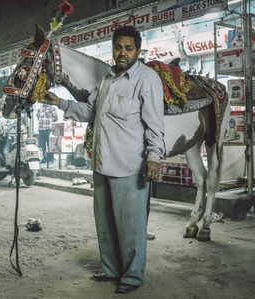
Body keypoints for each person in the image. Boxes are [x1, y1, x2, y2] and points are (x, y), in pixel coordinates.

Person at [44, 25, 165, 294]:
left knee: (131, 227)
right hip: (102, 163)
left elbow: (155, 123)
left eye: (128, 48)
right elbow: (89, 110)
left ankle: (132, 277)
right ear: (113, 49)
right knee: (106, 223)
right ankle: (111, 270)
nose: (122, 53)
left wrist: (154, 157)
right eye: (118, 47)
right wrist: (59, 102)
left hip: (130, 166)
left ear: (138, 51)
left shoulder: (146, 79)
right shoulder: (107, 80)